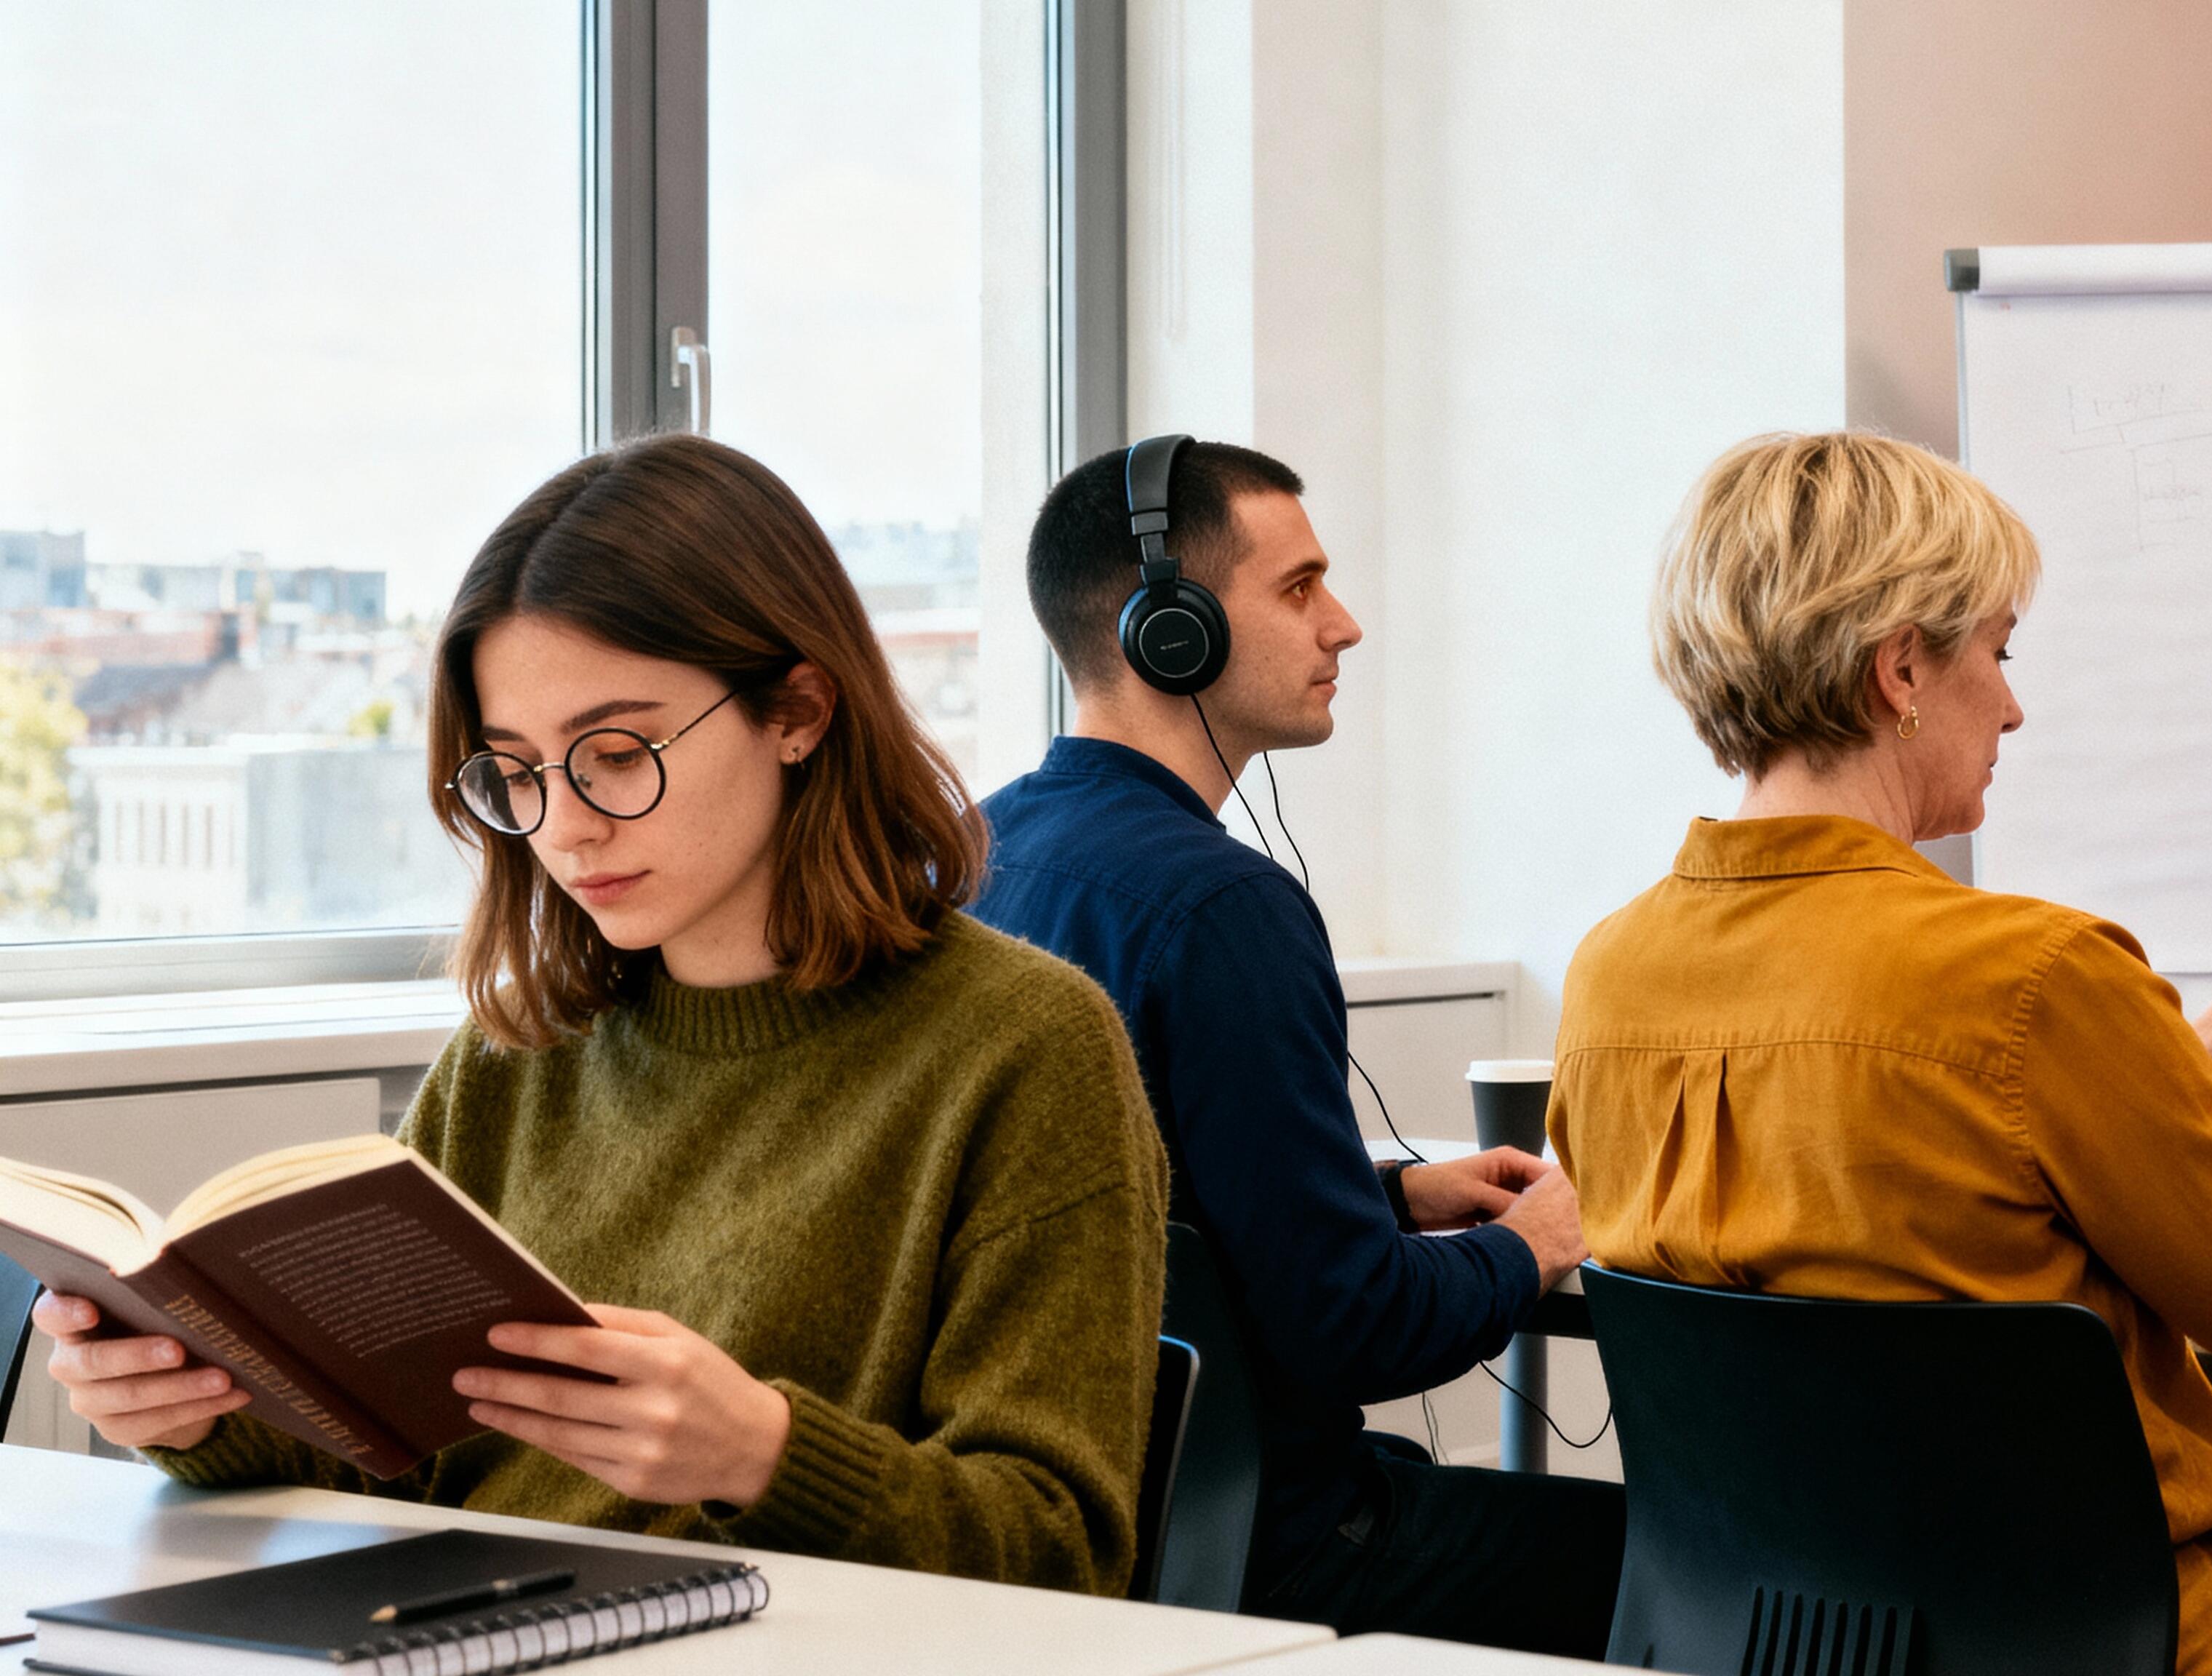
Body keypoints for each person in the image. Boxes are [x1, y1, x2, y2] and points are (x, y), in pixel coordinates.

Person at [30, 434, 1168, 1595]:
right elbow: (400, 1460)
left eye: (616, 753)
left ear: (799, 710)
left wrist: (764, 1456)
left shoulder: (1026, 1049)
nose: (565, 826)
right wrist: (188, 1407)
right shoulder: (516, 1053)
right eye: (517, 771)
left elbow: (1061, 1553)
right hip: (475, 1631)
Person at [1550, 431, 2212, 1676]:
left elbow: (1875, 1202)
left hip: (1751, 1645)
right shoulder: (2036, 981)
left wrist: (2163, 1079)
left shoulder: (1612, 976)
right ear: (1901, 671)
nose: (2013, 702)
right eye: (1996, 652)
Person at [970, 436, 1622, 1656]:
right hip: (1270, 1542)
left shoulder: (970, 856)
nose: (1346, 625)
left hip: (1088, 1523)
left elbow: (1149, 1219)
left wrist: (1386, 1194)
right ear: (1168, 628)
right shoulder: (1224, 912)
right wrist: (1529, 1251)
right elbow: (1355, 1330)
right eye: (1299, 587)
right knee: (1672, 1559)